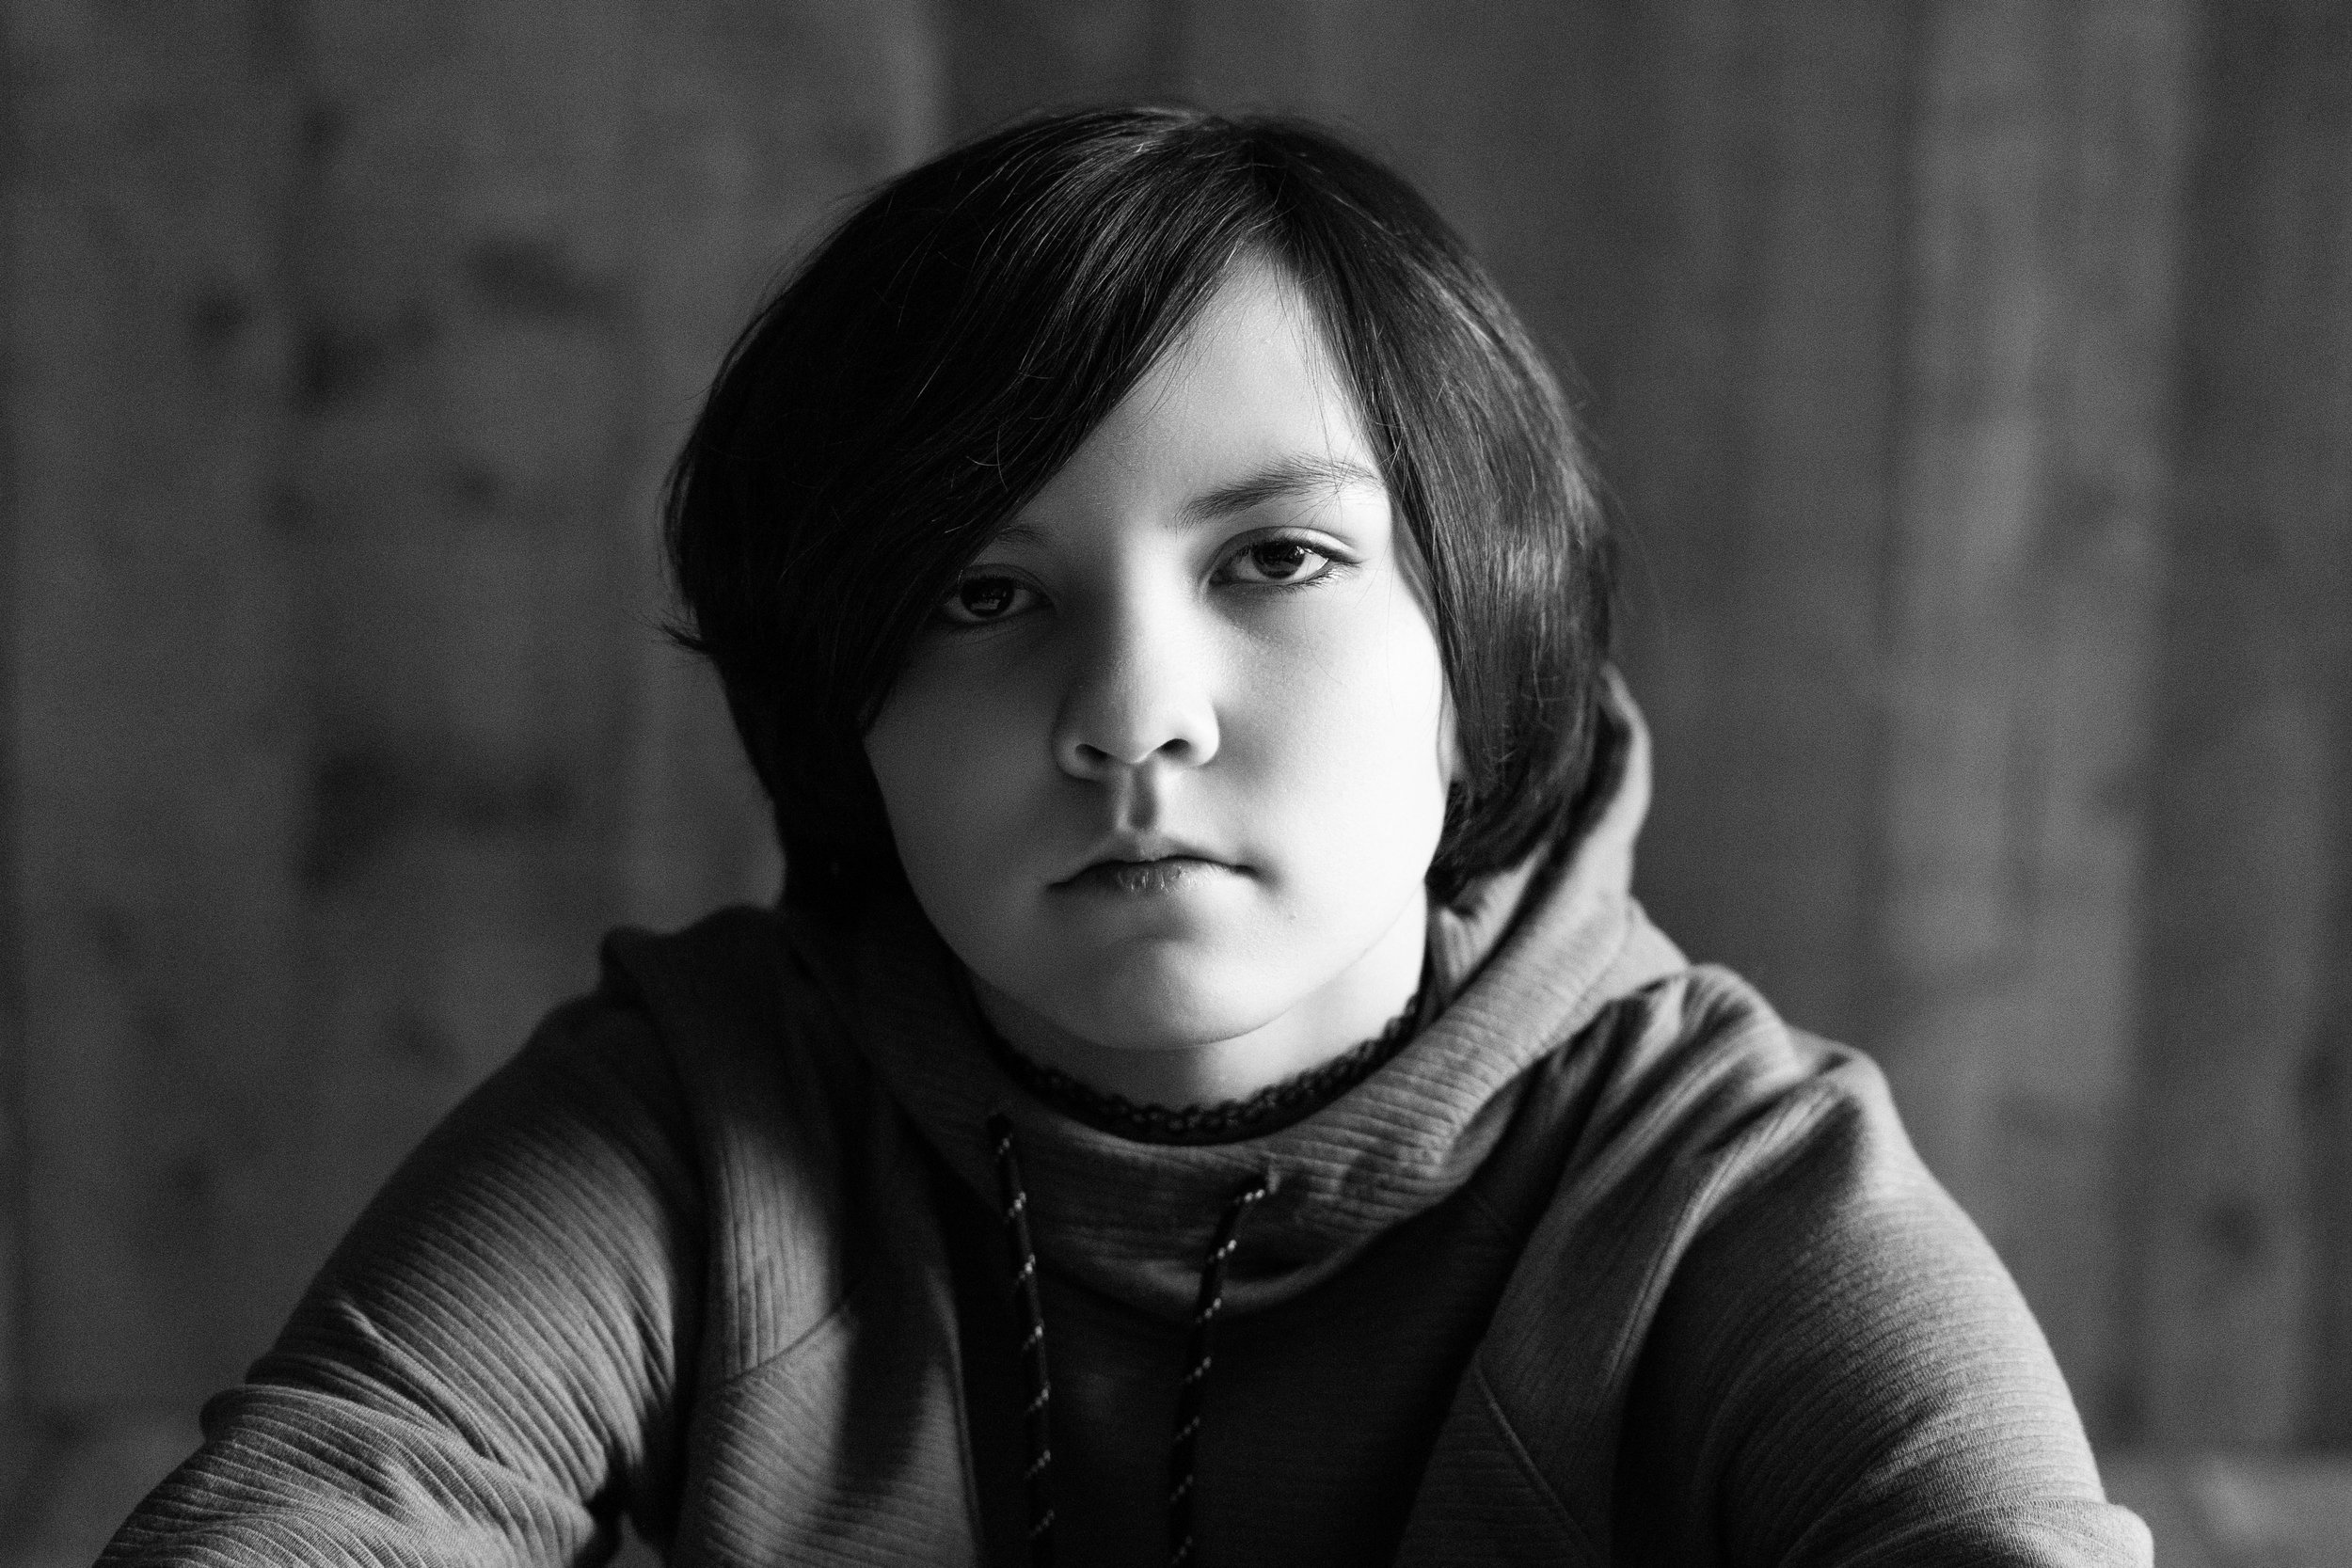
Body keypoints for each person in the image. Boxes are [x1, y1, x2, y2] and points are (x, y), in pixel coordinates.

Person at [101, 107, 2150, 1566]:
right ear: (844, 719)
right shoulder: (698, 1117)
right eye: (981, 600)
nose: (1127, 715)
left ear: (1479, 638)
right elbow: (319, 1506)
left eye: (1274, 556)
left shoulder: (1723, 1179)